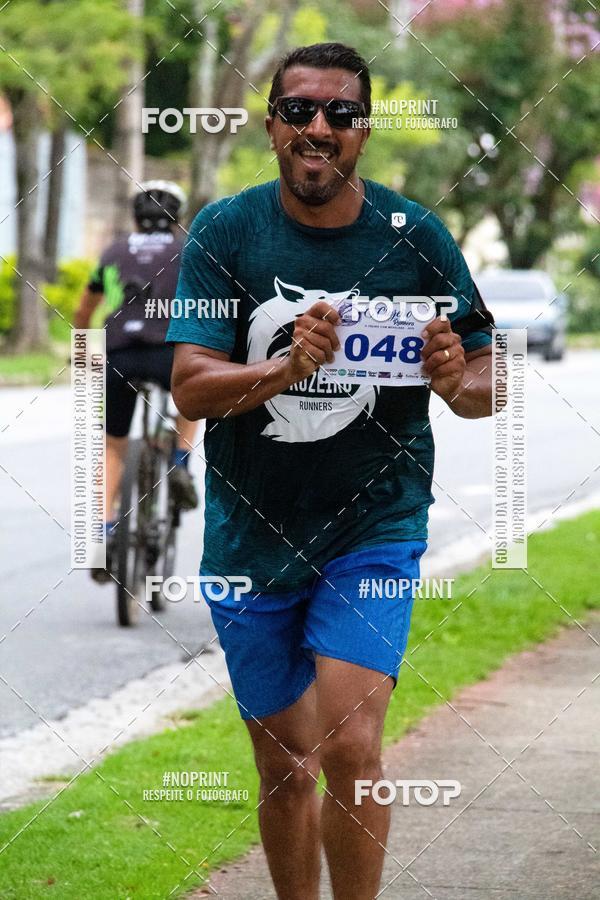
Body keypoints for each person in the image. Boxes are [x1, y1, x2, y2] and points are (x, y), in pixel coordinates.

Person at [167, 43, 496, 900]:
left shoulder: (415, 234)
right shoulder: (226, 231)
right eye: (300, 110)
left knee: (349, 745)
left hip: (373, 527)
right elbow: (192, 386)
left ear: (365, 130)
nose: (319, 128)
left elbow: (487, 383)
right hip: (251, 533)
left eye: (340, 114)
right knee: (284, 760)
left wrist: (457, 378)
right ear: (272, 124)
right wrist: (283, 370)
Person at [74, 180, 199, 583]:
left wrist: (80, 343)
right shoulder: (189, 250)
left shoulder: (114, 251)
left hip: (119, 354)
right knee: (190, 403)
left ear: (135, 217)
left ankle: (104, 531)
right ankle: (180, 462)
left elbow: (85, 308)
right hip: (169, 353)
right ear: (177, 218)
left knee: (113, 447)